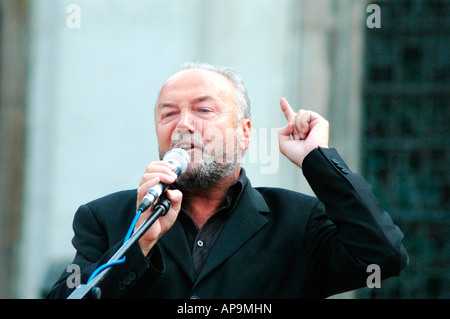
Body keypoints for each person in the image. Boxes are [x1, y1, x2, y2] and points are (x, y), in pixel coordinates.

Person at [47, 62, 408, 299]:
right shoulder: (108, 217)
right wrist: (140, 243)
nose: (183, 125)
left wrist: (318, 161)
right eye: (168, 114)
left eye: (204, 110)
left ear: (244, 134)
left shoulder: (298, 221)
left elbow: (383, 255)